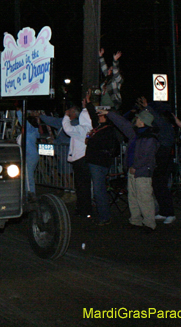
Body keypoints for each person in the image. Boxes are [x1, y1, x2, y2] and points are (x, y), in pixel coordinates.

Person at [108, 107, 158, 232]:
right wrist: (109, 114)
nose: (136, 120)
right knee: (133, 196)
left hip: (141, 171)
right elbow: (123, 124)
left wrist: (136, 166)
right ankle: (135, 220)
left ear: (142, 121)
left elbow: (147, 156)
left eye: (138, 118)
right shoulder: (137, 134)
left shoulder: (149, 138)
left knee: (144, 198)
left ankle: (149, 223)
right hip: (133, 169)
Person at [42, 102, 93, 218]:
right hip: (81, 158)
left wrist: (66, 116)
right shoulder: (87, 128)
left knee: (82, 187)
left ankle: (84, 210)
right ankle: (82, 209)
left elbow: (67, 129)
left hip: (81, 159)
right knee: (81, 186)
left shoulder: (82, 128)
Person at [84, 95, 124, 226]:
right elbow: (92, 115)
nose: (98, 115)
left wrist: (90, 140)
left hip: (99, 163)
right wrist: (89, 102)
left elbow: (101, 144)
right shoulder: (99, 127)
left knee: (99, 190)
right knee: (98, 189)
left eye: (101, 114)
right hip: (94, 162)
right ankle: (103, 214)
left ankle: (104, 217)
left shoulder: (108, 130)